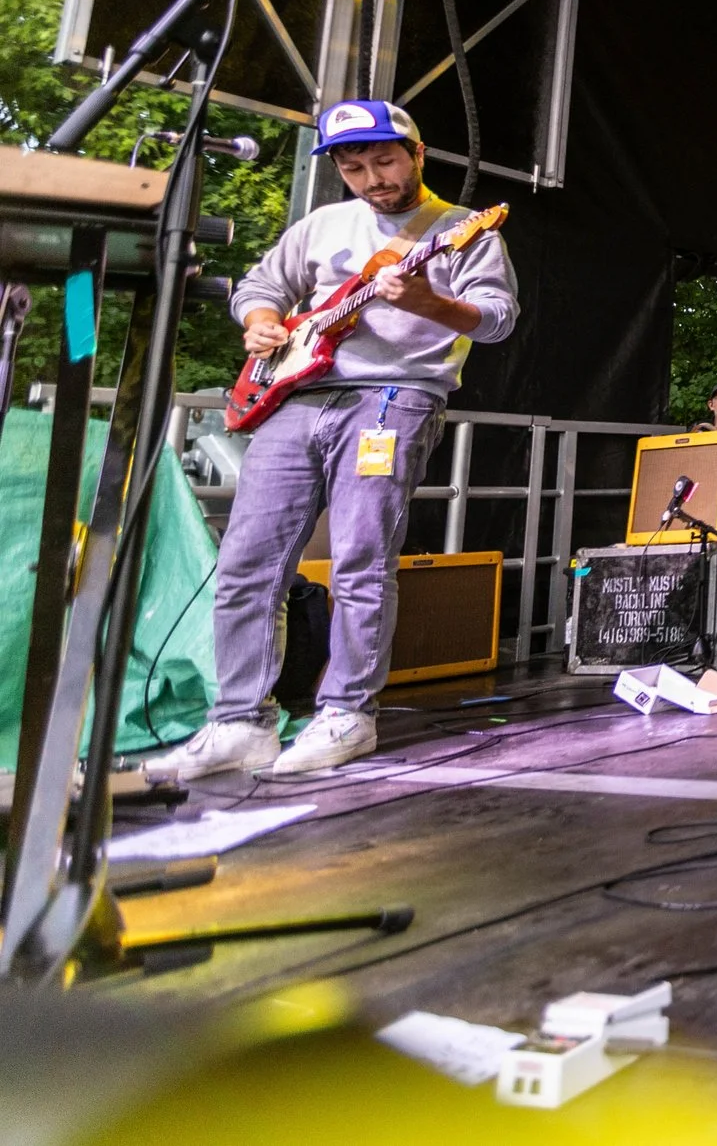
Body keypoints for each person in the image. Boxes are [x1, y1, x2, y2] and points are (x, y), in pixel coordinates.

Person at [146, 99, 519, 779]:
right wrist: (260, 320)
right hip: (297, 395)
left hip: (393, 397)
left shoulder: (462, 229)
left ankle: (349, 712)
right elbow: (262, 284)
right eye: (353, 167)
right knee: (247, 560)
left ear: (417, 152)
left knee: (360, 559)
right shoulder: (323, 224)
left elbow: (496, 319)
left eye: (383, 161)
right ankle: (240, 721)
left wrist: (425, 301)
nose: (372, 178)